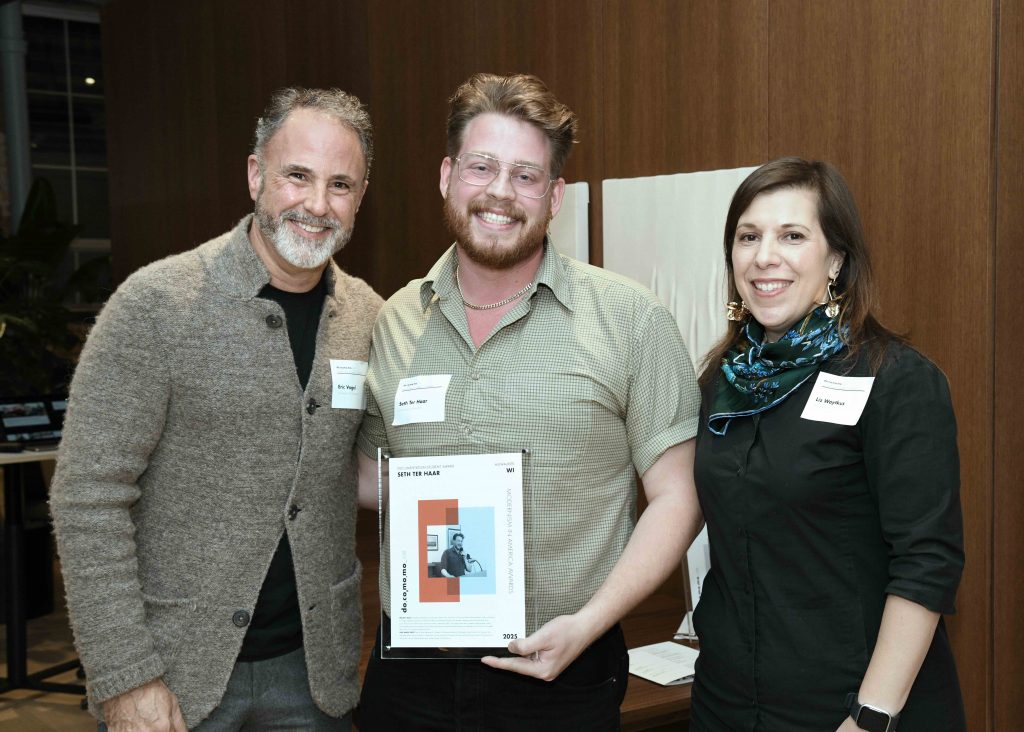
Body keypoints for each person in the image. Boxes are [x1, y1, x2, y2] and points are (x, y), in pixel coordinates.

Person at [354, 72, 703, 732]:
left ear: (555, 196)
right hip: (410, 673)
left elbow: (678, 498)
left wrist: (589, 626)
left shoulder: (630, 320)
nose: (500, 192)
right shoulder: (393, 319)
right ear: (447, 175)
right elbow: (376, 478)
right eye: (482, 166)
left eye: (525, 175)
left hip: (563, 665)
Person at [49, 87, 383, 731]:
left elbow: (372, 466)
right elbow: (88, 496)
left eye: (340, 184)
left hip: (315, 676)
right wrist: (125, 676)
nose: (317, 205)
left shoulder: (368, 316)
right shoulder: (156, 304)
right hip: (176, 677)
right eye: (297, 176)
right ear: (256, 174)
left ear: (361, 197)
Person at [692, 157, 965, 731]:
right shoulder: (721, 382)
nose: (765, 256)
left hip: (851, 706)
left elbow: (927, 564)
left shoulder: (895, 379)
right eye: (748, 237)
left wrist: (870, 717)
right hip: (729, 703)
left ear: (836, 259)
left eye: (792, 235)